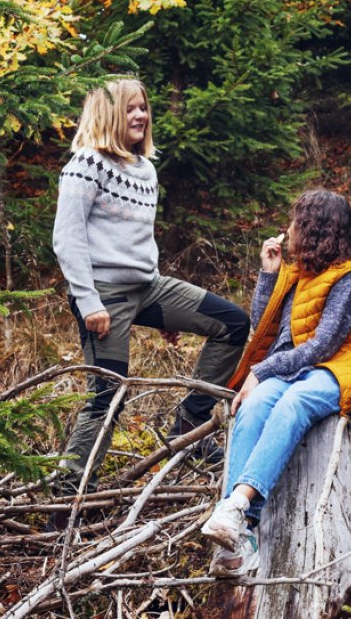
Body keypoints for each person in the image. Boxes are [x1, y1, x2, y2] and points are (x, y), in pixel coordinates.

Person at [50, 78, 249, 503]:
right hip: (103, 296)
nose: (140, 115)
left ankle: (189, 431)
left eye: (143, 108)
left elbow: (138, 240)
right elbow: (67, 239)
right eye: (129, 109)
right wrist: (88, 303)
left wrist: (163, 313)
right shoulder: (86, 164)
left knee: (232, 323)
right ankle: (68, 499)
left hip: (148, 288)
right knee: (108, 396)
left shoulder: (145, 169)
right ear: (107, 115)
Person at [200, 189, 351, 577]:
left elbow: (324, 345)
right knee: (251, 407)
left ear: (315, 228)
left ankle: (237, 505)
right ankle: (241, 537)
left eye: (295, 222)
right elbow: (266, 327)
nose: (287, 230)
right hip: (298, 367)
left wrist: (262, 371)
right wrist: (269, 273)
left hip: (346, 367)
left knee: (295, 403)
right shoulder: (302, 274)